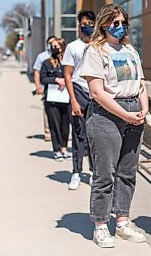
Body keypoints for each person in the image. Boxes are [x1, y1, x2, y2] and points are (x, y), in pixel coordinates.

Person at [80, 3, 148, 248]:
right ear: (104, 25)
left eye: (123, 23)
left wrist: (144, 108)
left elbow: (140, 83)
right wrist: (125, 115)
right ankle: (100, 225)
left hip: (133, 110)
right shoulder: (95, 51)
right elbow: (97, 92)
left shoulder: (130, 49)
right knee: (104, 174)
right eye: (115, 23)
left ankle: (122, 221)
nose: (120, 27)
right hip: (106, 115)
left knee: (128, 172)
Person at [62, 10, 96, 190]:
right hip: (78, 91)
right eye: (84, 23)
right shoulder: (72, 47)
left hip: (96, 94)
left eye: (91, 23)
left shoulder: (100, 45)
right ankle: (76, 172)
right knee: (78, 134)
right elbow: (67, 75)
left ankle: (92, 171)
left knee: (94, 136)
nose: (88, 26)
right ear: (79, 25)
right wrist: (73, 101)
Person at [40, 38, 72, 161]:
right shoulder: (46, 63)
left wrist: (66, 81)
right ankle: (57, 149)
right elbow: (43, 79)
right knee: (54, 124)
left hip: (66, 98)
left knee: (65, 124)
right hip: (52, 99)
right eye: (53, 46)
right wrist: (55, 80)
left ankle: (64, 148)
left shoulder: (67, 63)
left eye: (57, 46)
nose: (55, 49)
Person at [33, 35, 57, 141]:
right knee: (48, 110)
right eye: (51, 43)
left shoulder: (62, 55)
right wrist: (38, 86)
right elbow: (37, 72)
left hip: (61, 88)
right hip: (48, 87)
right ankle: (48, 132)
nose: (53, 45)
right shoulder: (42, 57)